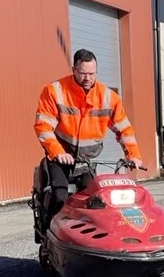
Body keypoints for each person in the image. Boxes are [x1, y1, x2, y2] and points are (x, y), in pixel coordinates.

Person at [33, 48, 146, 227]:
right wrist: (57, 152)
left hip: (86, 160)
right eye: (83, 73)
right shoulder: (55, 91)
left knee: (94, 200)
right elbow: (43, 126)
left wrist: (133, 155)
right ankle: (50, 234)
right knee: (60, 196)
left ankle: (87, 234)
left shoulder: (108, 97)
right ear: (74, 70)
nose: (88, 78)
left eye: (92, 74)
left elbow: (124, 129)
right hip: (60, 156)